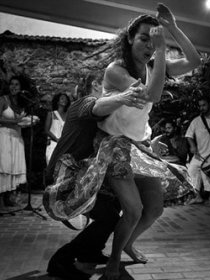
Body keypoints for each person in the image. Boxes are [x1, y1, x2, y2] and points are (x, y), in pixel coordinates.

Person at [98, 3, 200, 278]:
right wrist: (163, 51)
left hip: (140, 147)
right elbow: (151, 96)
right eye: (144, 39)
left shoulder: (154, 66)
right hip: (114, 146)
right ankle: (113, 260)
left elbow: (195, 61)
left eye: (152, 42)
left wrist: (173, 29)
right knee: (133, 210)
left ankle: (129, 244)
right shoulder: (115, 70)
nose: (149, 47)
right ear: (130, 38)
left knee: (154, 210)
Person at [44, 73, 147, 280]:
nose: (112, 91)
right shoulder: (85, 102)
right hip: (64, 175)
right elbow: (96, 108)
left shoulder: (103, 114)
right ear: (96, 85)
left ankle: (90, 250)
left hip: (81, 174)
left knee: (115, 204)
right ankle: (61, 260)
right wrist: (124, 96)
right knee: (108, 217)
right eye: (108, 87)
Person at [0, 76, 30, 209]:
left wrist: (29, 121)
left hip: (16, 136)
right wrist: (15, 122)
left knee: (12, 166)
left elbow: (22, 119)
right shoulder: (3, 99)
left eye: (17, 84)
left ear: (21, 87)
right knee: (3, 166)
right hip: (3, 136)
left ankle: (8, 196)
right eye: (12, 84)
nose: (14, 87)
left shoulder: (21, 102)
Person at [44, 93, 70, 164]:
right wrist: (56, 139)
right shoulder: (51, 114)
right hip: (53, 144)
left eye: (66, 99)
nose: (64, 100)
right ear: (57, 101)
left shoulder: (68, 116)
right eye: (62, 98)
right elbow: (46, 130)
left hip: (64, 145)